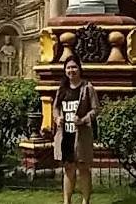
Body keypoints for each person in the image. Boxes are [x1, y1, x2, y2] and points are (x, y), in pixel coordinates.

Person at [53, 55, 100, 204]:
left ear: (80, 69)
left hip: (81, 135)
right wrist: (57, 118)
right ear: (64, 70)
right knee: (68, 169)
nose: (71, 70)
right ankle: (67, 201)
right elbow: (56, 108)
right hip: (66, 134)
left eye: (74, 67)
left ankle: (85, 201)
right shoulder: (62, 89)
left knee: (83, 169)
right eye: (68, 68)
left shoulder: (87, 88)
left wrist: (83, 120)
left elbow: (95, 109)